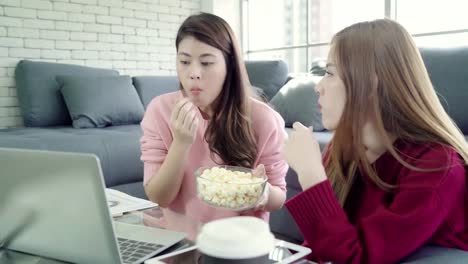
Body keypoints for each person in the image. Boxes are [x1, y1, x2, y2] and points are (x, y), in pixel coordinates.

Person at [283, 19, 468, 264]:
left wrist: (310, 174)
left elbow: (357, 258)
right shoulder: (345, 147)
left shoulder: (438, 167)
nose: (318, 86)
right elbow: (323, 244)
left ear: (370, 84)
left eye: (329, 73)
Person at [140, 13, 288, 239]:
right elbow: (160, 196)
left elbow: (279, 197)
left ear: (229, 65)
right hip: (180, 242)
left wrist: (262, 192)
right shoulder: (160, 110)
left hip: (239, 242)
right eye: (185, 61)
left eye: (207, 62)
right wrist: (181, 144)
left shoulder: (264, 119)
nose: (194, 74)